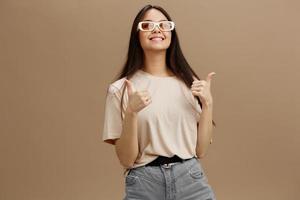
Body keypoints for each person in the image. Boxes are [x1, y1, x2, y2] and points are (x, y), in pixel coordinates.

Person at [102, 4, 217, 200]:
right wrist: (131, 112)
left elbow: (201, 150)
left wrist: (208, 104)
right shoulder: (120, 89)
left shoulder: (190, 83)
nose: (157, 29)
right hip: (144, 183)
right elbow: (126, 160)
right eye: (147, 25)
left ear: (172, 34)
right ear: (137, 35)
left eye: (164, 25)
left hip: (190, 179)